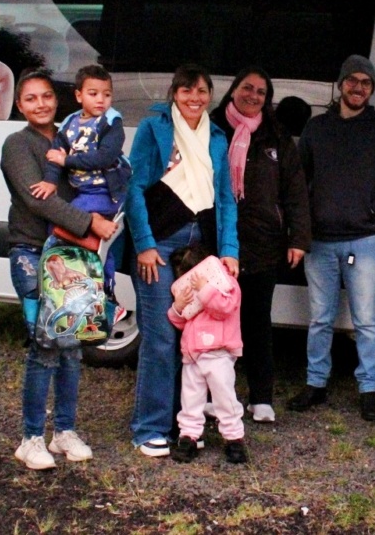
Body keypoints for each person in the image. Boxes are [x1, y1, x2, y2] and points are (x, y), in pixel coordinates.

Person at [1, 70, 119, 471]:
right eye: (31, 99)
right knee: (44, 344)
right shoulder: (17, 145)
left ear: (58, 99)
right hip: (32, 253)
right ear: (20, 106)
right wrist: (92, 224)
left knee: (72, 344)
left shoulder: (72, 135)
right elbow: (38, 200)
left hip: (73, 256)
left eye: (46, 97)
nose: (40, 104)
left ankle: (64, 430)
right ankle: (31, 437)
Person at [124, 64, 239, 457]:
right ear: (174, 93)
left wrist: (229, 251)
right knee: (160, 336)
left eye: (203, 91)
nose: (195, 98)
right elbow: (134, 187)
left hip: (200, 248)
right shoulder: (153, 128)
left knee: (193, 341)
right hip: (159, 242)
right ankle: (149, 427)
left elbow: (225, 198)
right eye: (187, 91)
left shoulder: (217, 136)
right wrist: (143, 242)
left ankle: (183, 424)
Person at [288, 55, 375, 421]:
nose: (358, 87)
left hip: (363, 241)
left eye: (366, 83)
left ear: (372, 90)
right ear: (341, 84)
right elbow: (297, 180)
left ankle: (369, 388)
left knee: (366, 321)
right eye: (352, 80)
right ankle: (316, 384)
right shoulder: (316, 128)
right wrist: (302, 224)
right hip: (320, 241)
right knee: (320, 319)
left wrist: (373, 210)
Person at [212, 67, 311, 423]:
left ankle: (261, 397)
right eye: (247, 88)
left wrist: (298, 237)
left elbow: (295, 191)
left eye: (261, 92)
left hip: (263, 243)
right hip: (217, 243)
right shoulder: (211, 128)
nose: (253, 96)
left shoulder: (276, 137)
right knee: (216, 324)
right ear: (233, 90)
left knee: (257, 322)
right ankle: (215, 397)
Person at [31, 64, 131, 295]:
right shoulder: (69, 124)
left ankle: (105, 289)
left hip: (106, 193)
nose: (101, 100)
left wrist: (68, 161)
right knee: (81, 235)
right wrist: (50, 181)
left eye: (107, 95)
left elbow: (105, 157)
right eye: (93, 94)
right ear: (78, 95)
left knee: (74, 226)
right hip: (84, 194)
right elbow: (54, 157)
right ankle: (75, 281)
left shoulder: (111, 122)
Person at [167, 244, 247, 464]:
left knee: (225, 397)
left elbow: (225, 308)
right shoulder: (194, 294)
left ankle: (234, 438)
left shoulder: (227, 285)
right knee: (190, 399)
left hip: (218, 353)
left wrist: (205, 289)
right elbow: (180, 321)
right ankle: (189, 436)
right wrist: (178, 307)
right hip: (192, 355)